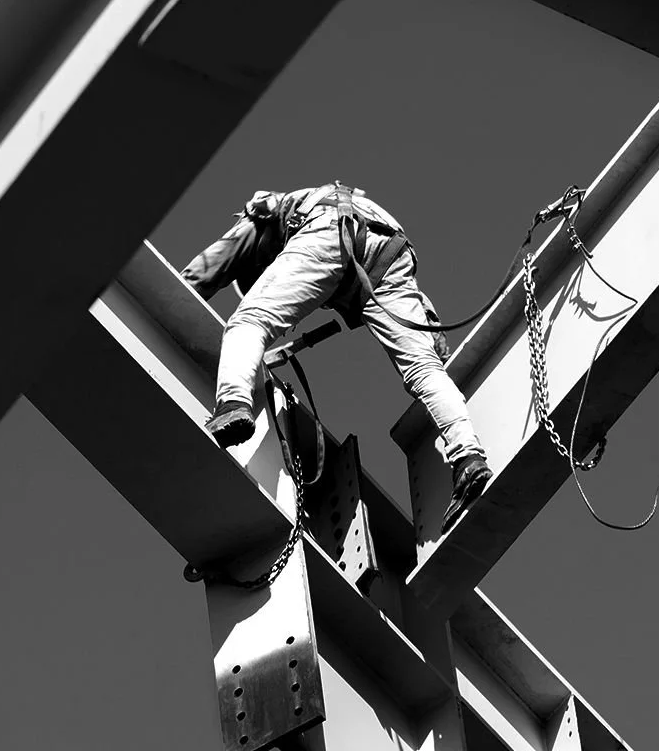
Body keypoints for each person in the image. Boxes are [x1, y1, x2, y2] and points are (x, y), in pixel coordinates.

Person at [181, 183, 491, 535]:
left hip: (330, 229)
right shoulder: (334, 204)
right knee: (424, 370)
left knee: (248, 321)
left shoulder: (264, 215)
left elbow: (207, 270)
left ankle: (232, 404)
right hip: (388, 250)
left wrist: (169, 298)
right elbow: (426, 324)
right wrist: (431, 332)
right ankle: (468, 457)